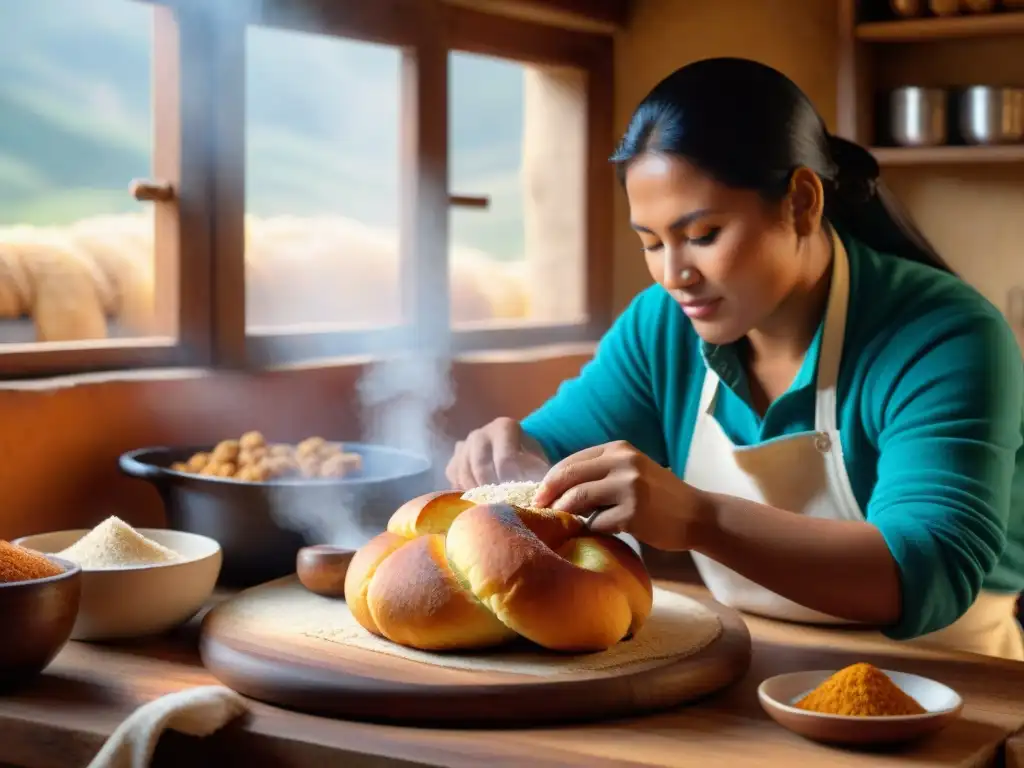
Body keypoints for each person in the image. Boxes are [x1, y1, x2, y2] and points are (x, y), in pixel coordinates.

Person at [446, 57, 1024, 661]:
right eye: (651, 242)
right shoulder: (663, 325)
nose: (675, 275)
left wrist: (700, 520)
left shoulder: (944, 336)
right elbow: (559, 449)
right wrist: (516, 458)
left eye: (701, 235)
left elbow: (930, 568)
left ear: (800, 203)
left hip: (952, 682)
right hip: (748, 666)